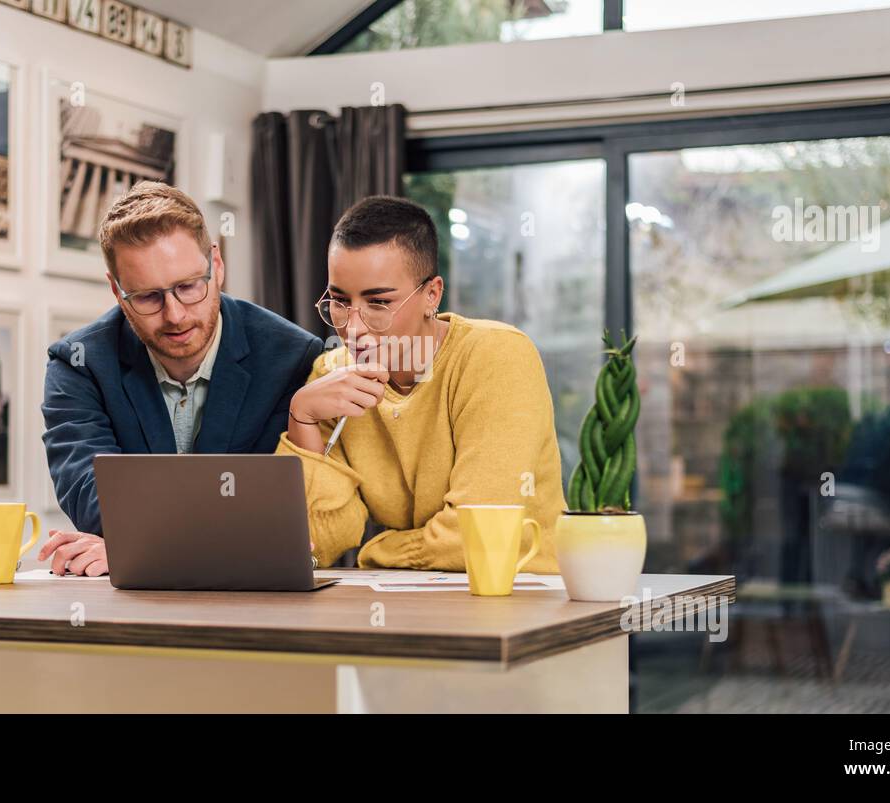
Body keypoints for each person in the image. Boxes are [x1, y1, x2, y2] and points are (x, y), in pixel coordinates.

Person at [40, 181, 322, 575]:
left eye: (189, 286)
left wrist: (137, 544)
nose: (174, 315)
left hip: (258, 603)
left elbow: (284, 516)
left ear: (216, 266)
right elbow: (91, 495)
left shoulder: (293, 358)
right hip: (133, 613)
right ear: (117, 292)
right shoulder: (78, 364)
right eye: (148, 297)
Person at [277, 195, 563, 572]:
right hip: (407, 604)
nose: (353, 327)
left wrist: (379, 553)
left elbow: (475, 537)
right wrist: (303, 417)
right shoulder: (332, 377)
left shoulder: (497, 357)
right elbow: (311, 547)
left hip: (526, 600)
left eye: (378, 302)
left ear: (432, 294)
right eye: (339, 301)